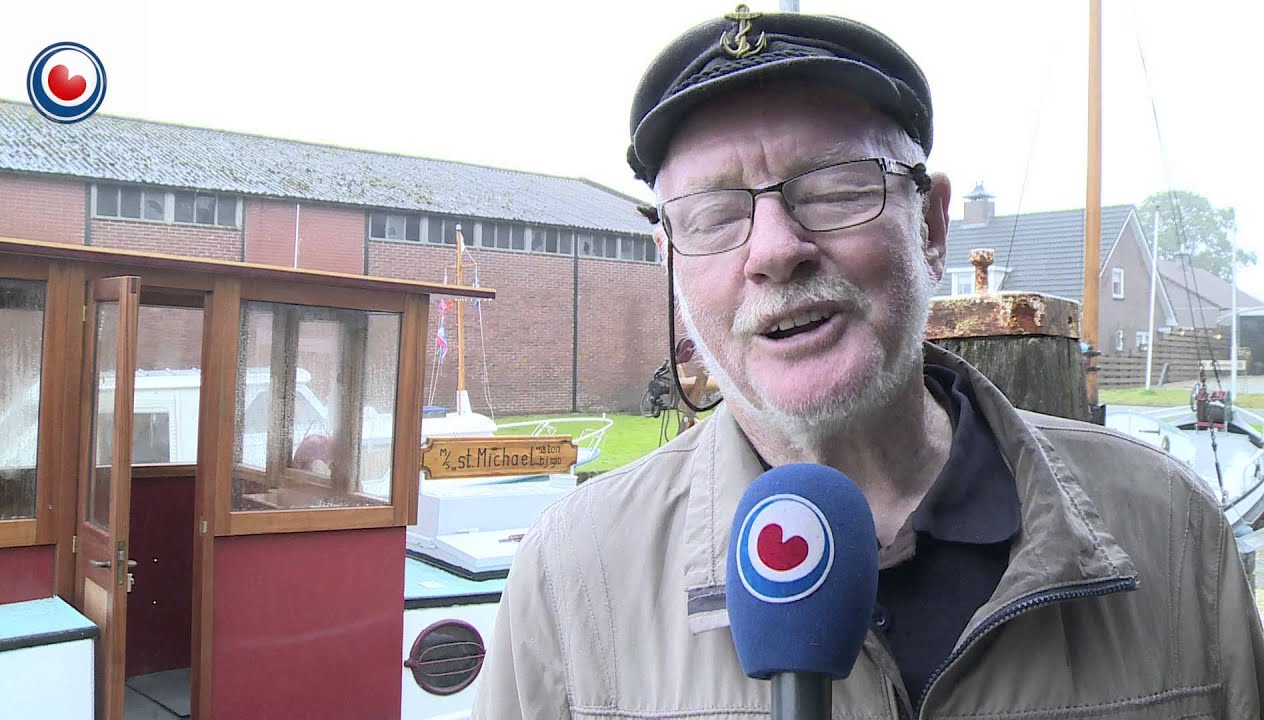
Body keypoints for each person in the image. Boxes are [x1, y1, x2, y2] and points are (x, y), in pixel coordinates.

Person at [473, 6, 1264, 718]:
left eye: (834, 188)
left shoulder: (1169, 531)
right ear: (672, 261)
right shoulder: (571, 580)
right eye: (715, 214)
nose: (776, 250)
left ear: (931, 223)